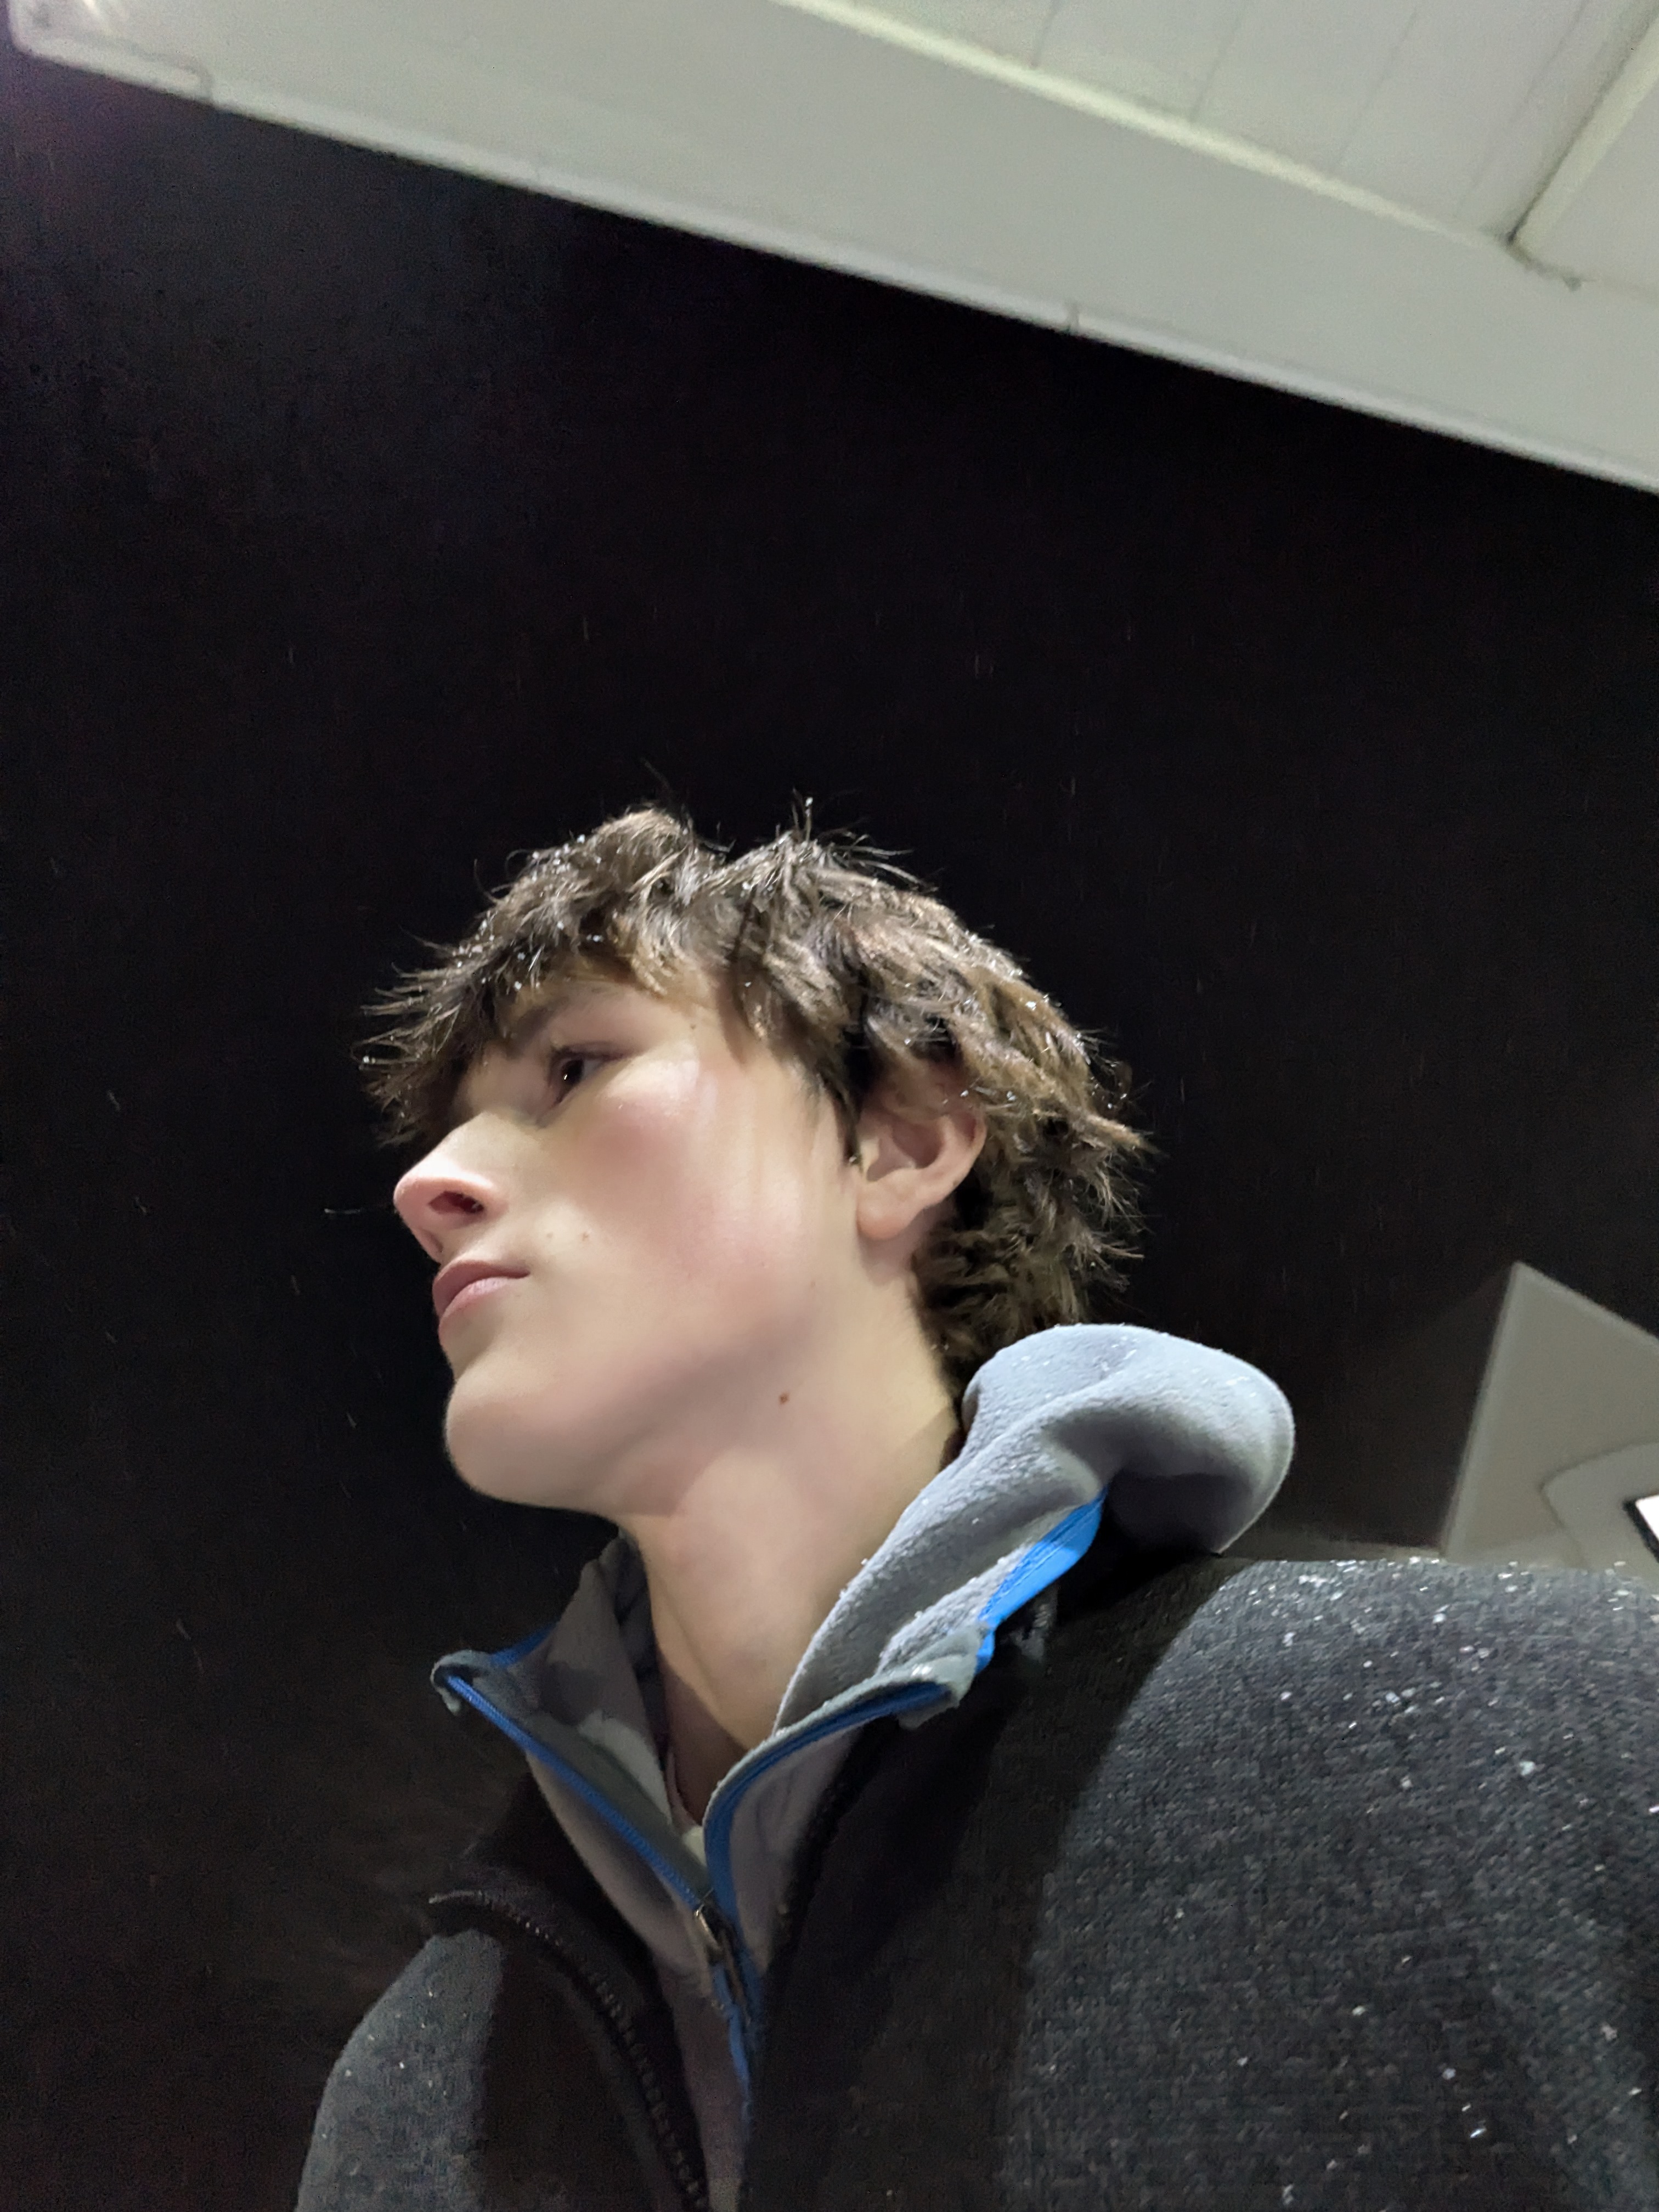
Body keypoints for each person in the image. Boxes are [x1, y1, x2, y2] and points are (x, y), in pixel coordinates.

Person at [298, 809, 1658, 2212]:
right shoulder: (409, 2097)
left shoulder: (1535, 1747)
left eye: (575, 1067)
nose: (427, 1187)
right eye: (454, 1124)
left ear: (900, 1139)